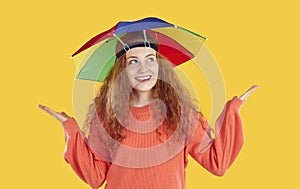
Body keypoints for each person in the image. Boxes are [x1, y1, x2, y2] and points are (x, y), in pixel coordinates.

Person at [39, 30, 258, 189]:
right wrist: (70, 129)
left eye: (150, 59)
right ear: (121, 70)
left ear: (160, 65)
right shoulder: (106, 116)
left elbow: (216, 162)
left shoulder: (181, 114)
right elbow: (95, 177)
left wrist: (232, 111)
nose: (144, 68)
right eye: (133, 61)